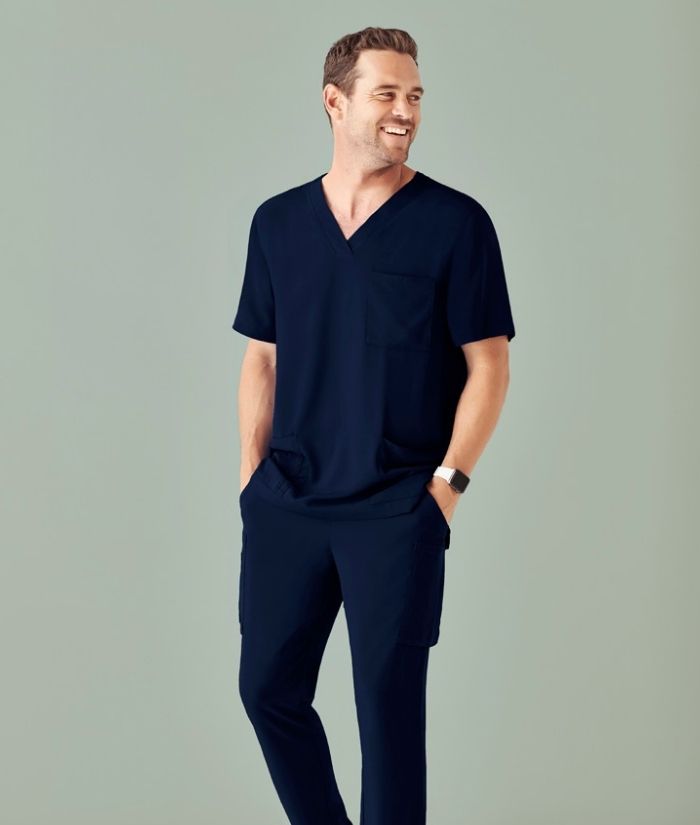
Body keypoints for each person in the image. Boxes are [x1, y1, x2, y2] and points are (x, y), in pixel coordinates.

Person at [232, 26, 515, 825]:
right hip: (288, 500)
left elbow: (489, 366)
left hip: (396, 506)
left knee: (388, 716)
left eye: (415, 96)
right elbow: (262, 358)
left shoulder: (456, 223)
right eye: (387, 93)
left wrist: (445, 488)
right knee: (267, 690)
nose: (406, 111)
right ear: (336, 101)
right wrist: (252, 479)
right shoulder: (278, 223)